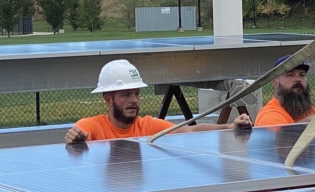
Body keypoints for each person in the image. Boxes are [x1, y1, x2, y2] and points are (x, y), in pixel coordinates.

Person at [64, 59, 251, 143]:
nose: (134, 100)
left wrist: (229, 127)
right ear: (108, 99)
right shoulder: (91, 127)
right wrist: (74, 140)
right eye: (126, 95)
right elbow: (76, 139)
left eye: (136, 94)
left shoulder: (148, 126)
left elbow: (190, 129)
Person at [254, 57, 315, 127]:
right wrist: (304, 124)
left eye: (302, 75)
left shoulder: (307, 111)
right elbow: (281, 142)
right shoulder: (269, 115)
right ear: (275, 83)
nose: (298, 79)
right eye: (290, 75)